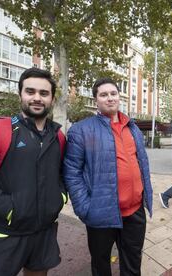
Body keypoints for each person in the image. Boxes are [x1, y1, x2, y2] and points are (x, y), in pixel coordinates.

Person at [0, 67, 67, 276]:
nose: (37, 98)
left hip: (43, 232)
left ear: (52, 99)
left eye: (44, 93)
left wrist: (59, 198)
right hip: (3, 232)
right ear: (20, 95)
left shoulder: (59, 137)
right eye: (30, 91)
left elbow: (61, 174)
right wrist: (9, 208)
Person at [64, 77, 153, 276]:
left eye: (113, 94)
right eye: (104, 95)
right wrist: (85, 208)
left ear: (119, 97)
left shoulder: (133, 127)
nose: (110, 98)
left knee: (133, 260)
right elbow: (72, 172)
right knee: (101, 263)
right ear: (96, 99)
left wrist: (145, 195)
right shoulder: (81, 130)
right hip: (100, 213)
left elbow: (142, 164)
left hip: (135, 211)